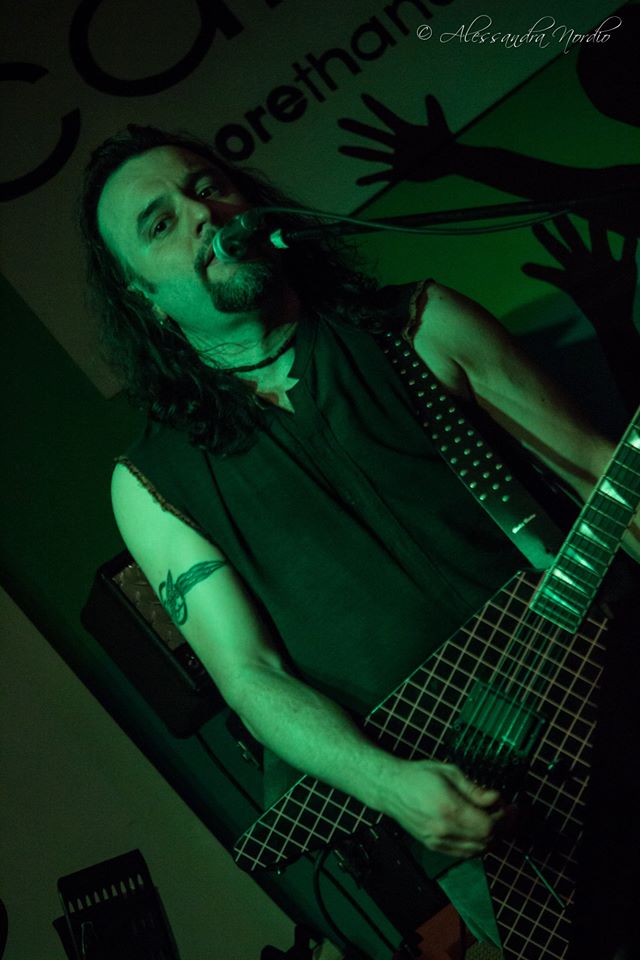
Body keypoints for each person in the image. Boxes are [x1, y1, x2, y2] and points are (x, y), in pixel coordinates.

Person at [80, 125, 637, 958]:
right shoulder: (152, 482)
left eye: (206, 187)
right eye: (160, 223)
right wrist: (392, 786)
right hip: (473, 804)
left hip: (609, 684)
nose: (201, 215)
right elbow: (250, 676)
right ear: (144, 298)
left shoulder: (416, 324)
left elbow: (601, 475)